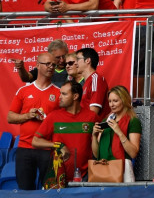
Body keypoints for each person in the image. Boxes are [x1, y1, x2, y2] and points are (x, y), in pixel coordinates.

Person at [8, 53, 61, 190]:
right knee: (25, 190)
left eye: (53, 65)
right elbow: (10, 117)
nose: (51, 67)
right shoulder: (23, 90)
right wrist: (28, 116)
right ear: (37, 65)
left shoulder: (59, 92)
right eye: (47, 64)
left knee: (50, 190)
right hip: (25, 148)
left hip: (48, 149)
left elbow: (63, 122)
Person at [32, 81, 96, 186]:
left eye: (64, 94)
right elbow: (35, 141)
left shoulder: (92, 117)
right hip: (59, 176)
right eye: (60, 93)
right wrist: (58, 145)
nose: (59, 97)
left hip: (86, 176)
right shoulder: (53, 116)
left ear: (75, 96)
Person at [91, 86, 141, 182]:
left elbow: (133, 153)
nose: (111, 105)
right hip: (103, 167)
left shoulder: (133, 121)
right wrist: (94, 135)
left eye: (115, 101)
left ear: (124, 100)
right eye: (110, 101)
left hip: (122, 169)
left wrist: (119, 131)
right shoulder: (106, 121)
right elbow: (96, 154)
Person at [76, 47, 110, 117]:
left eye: (78, 59)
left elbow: (93, 112)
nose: (75, 63)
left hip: (94, 126)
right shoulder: (87, 81)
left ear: (87, 60)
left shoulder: (96, 79)